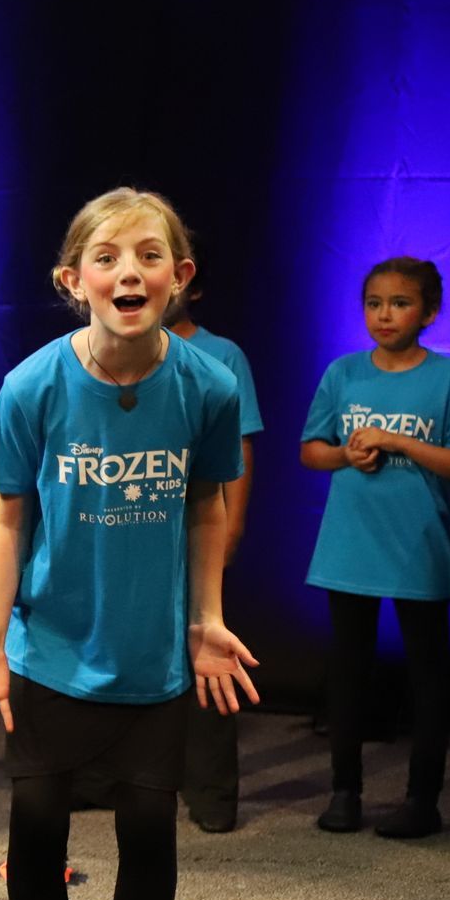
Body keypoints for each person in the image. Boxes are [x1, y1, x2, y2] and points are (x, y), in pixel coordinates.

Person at [0, 188, 257, 900]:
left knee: (150, 836)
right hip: (50, 657)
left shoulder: (208, 385)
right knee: (37, 833)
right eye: (110, 257)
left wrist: (204, 620)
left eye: (150, 255)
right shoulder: (33, 385)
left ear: (180, 276)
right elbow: (6, 519)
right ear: (73, 279)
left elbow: (206, 505)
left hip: (151, 662)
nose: (131, 271)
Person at [302, 257, 450, 839]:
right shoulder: (344, 373)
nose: (385, 314)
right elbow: (312, 450)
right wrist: (345, 454)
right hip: (350, 544)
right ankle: (345, 791)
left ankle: (421, 800)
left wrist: (396, 440)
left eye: (400, 303)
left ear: (428, 312)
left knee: (428, 676)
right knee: (347, 672)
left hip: (418, 546)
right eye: (374, 303)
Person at [167, 278, 263, 832]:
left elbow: (239, 448)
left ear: (189, 282)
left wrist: (233, 528)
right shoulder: (108, 351)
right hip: (130, 537)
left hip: (198, 531)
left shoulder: (220, 355)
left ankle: (211, 794)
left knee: (207, 653)